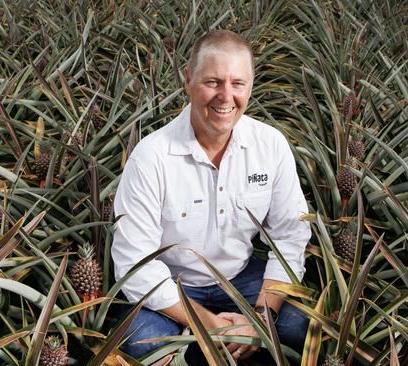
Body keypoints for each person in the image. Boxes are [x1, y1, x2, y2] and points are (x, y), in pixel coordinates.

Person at [111, 29, 311, 362]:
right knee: (143, 346)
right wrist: (210, 325)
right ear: (188, 79)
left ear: (251, 85)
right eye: (213, 82)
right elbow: (135, 264)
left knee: (296, 331)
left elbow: (290, 235)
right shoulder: (151, 157)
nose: (226, 96)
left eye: (237, 84)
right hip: (172, 283)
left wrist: (261, 317)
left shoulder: (270, 145)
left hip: (242, 274)